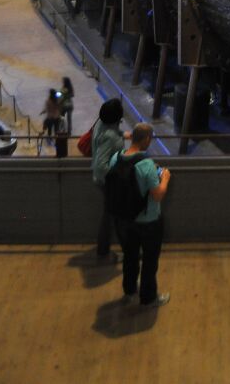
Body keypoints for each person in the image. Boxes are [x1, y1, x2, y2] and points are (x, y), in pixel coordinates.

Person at [109, 122, 171, 309]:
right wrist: (165, 178)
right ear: (145, 139)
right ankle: (148, 298)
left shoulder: (116, 158)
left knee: (130, 257)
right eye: (150, 138)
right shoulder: (146, 165)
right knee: (150, 261)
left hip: (125, 219)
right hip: (149, 222)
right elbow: (157, 194)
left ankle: (129, 292)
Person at [92, 98, 129, 262]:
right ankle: (104, 253)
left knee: (114, 216)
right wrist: (117, 176)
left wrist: (121, 134)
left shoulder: (100, 124)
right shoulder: (110, 137)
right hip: (110, 183)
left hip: (106, 182)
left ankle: (125, 250)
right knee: (113, 218)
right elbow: (101, 165)